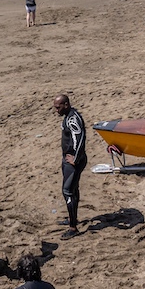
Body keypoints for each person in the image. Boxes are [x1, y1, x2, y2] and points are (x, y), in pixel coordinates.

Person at [52, 94, 86, 239]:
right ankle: (73, 218)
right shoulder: (68, 116)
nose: (56, 111)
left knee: (68, 192)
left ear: (66, 105)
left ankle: (73, 228)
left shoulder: (73, 119)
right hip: (68, 160)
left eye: (58, 107)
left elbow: (80, 138)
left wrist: (75, 158)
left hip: (73, 162)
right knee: (73, 189)